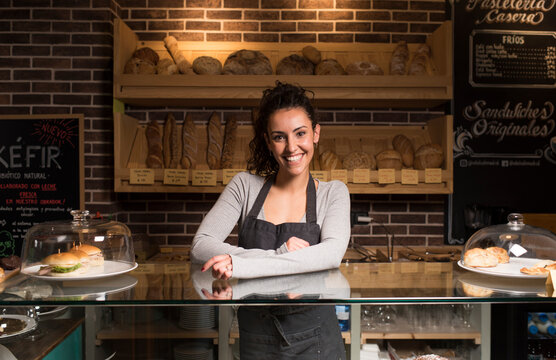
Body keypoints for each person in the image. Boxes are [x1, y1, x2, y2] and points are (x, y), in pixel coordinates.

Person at [191, 81, 351, 359]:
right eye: (279, 137)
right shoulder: (244, 186)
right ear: (267, 140)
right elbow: (201, 245)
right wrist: (280, 254)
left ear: (315, 134)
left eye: (300, 133)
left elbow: (330, 255)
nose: (291, 147)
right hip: (257, 338)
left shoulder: (333, 192)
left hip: (317, 340)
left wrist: (239, 263)